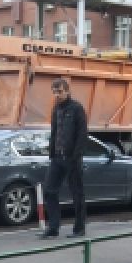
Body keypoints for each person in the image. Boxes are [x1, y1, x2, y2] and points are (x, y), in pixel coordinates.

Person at [40, 78, 88, 239]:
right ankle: (53, 228)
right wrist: (52, 153)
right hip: (57, 157)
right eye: (54, 92)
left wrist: (76, 156)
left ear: (67, 91)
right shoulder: (56, 109)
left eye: (60, 91)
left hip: (71, 158)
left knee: (77, 193)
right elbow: (54, 132)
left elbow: (82, 134)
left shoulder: (76, 108)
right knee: (49, 191)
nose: (57, 95)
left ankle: (79, 228)